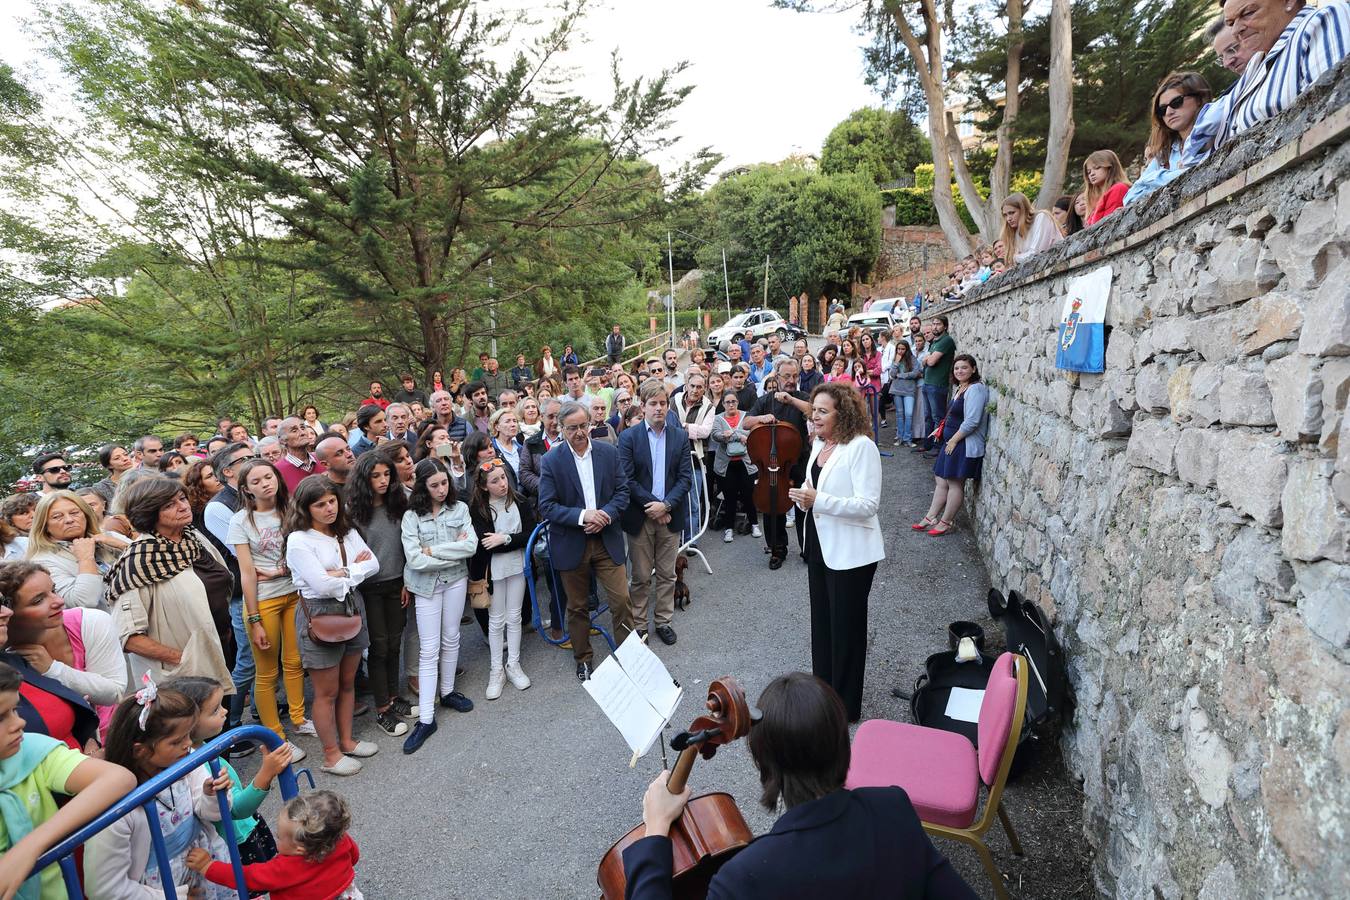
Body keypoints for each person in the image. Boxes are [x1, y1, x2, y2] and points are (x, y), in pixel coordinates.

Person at [623, 672, 976, 899]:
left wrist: (655, 830)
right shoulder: (893, 810)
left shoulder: (744, 880)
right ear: (842, 744)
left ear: (765, 766)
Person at [786, 382, 885, 722]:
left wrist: (819, 501)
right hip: (819, 543)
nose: (815, 417)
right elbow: (817, 486)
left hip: (852, 552)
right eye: (814, 411)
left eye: (822, 411)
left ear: (842, 414)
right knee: (823, 624)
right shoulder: (820, 444)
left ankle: (845, 707)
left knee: (847, 629)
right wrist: (803, 496)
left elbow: (868, 504)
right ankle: (823, 694)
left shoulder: (861, 447)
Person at [0, 661, 135, 900]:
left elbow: (119, 779)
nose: (19, 722)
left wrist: (30, 846)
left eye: (15, 710)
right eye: (2, 717)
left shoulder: (31, 750)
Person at [85, 687, 235, 899]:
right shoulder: (115, 807)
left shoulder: (183, 760)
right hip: (161, 890)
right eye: (176, 741)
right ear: (140, 750)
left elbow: (213, 813)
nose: (189, 744)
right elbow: (104, 888)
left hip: (204, 865)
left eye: (188, 735)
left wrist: (211, 795)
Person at [284, 476, 380, 776]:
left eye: (332, 501)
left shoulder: (346, 529)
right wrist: (352, 571)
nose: (329, 508)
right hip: (319, 613)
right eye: (320, 504)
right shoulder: (299, 540)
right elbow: (321, 586)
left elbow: (373, 564)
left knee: (348, 682)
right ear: (305, 508)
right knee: (326, 691)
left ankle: (348, 740)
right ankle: (331, 754)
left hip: (352, 605)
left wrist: (342, 572)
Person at [537, 401, 634, 681]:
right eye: (572, 428)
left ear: (590, 424)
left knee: (621, 600)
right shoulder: (551, 460)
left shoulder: (607, 452)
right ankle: (583, 658)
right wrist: (583, 516)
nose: (580, 432)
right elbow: (547, 506)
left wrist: (606, 514)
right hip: (572, 543)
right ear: (561, 428)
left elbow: (622, 492)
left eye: (583, 425)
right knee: (578, 607)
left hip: (606, 539)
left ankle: (630, 655)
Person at [1184, 0, 1350, 164]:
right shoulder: (1256, 62)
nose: (1236, 30)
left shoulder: (1323, 19)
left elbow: (1333, 110)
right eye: (1231, 22)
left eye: (1248, 13)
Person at [230, 459, 313, 759]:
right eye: (257, 481)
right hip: (263, 601)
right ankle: (275, 736)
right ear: (246, 490)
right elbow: (248, 573)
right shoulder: (241, 520)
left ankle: (299, 718)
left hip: (293, 593)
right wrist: (254, 620)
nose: (266, 483)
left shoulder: (290, 509)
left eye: (269, 476)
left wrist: (279, 572)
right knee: (266, 672)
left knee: (294, 662)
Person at [167, 676, 293, 866]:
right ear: (188, 724)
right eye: (215, 710)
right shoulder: (199, 764)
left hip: (241, 832)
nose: (225, 711)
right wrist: (267, 772)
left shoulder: (203, 747)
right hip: (233, 842)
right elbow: (236, 809)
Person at [399, 459, 477, 754]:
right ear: (422, 486)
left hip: (456, 580)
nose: (442, 489)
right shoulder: (411, 517)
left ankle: (447, 693)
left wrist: (434, 550)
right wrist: (451, 553)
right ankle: (427, 718)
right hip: (426, 586)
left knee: (452, 637)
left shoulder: (459, 509)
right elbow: (414, 559)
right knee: (429, 649)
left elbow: (470, 547)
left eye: (445, 483)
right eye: (434, 485)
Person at [0, 561, 125, 742]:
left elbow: (116, 692)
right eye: (38, 600)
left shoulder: (89, 622)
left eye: (54, 590)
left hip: (115, 735)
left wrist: (52, 669)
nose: (59, 601)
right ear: (10, 612)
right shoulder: (6, 656)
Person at [344, 451, 413, 739]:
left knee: (395, 643)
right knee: (379, 646)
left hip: (398, 582)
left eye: (387, 474)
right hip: (369, 588)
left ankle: (396, 698)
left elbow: (407, 545)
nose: (383, 481)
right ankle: (383, 708)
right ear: (364, 478)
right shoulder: (353, 511)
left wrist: (407, 581)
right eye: (376, 476)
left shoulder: (399, 503)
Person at [618, 381, 692, 646]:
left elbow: (685, 478)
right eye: (653, 404)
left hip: (670, 515)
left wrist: (667, 505)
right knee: (639, 576)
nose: (659, 408)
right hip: (641, 516)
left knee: (667, 573)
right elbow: (626, 480)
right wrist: (654, 506)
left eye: (663, 403)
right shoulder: (628, 438)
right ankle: (639, 625)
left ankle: (663, 621)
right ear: (643, 406)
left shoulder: (679, 436)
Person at [186, 790, 362, 900]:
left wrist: (208, 866)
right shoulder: (339, 839)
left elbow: (248, 877)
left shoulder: (285, 868)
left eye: (279, 837)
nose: (276, 839)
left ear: (300, 849)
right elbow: (354, 857)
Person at [468, 459, 535, 701]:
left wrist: (505, 539)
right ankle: (496, 669)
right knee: (496, 621)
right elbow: (486, 545)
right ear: (484, 486)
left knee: (514, 616)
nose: (502, 484)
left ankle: (513, 664)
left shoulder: (520, 501)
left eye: (503, 478)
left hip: (518, 567)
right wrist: (510, 540)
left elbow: (530, 535)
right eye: (494, 481)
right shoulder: (478, 508)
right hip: (493, 572)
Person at [739, 359, 810, 569]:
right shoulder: (764, 400)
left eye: (795, 376)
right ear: (776, 377)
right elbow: (746, 422)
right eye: (786, 376)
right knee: (773, 506)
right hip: (771, 465)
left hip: (798, 461)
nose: (791, 380)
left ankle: (807, 548)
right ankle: (777, 549)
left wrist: (791, 401)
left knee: (803, 507)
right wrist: (762, 418)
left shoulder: (801, 397)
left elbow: (813, 411)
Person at [917, 355, 991, 538]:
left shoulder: (976, 389)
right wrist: (941, 431)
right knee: (941, 479)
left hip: (962, 443)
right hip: (951, 442)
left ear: (973, 369)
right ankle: (931, 516)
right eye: (957, 368)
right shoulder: (961, 387)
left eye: (964, 368)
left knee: (954, 483)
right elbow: (953, 415)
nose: (959, 371)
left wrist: (954, 440)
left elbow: (972, 421)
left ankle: (946, 522)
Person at [1124, 72, 1216, 206]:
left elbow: (1204, 173)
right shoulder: (1165, 154)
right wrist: (1171, 175)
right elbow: (1130, 197)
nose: (1169, 112)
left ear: (1199, 99)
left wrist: (1154, 179)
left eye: (1176, 102)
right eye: (1162, 110)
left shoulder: (1216, 133)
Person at [25, 490, 123, 611]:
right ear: (44, 526)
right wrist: (86, 559)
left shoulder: (110, 537)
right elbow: (84, 601)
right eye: (57, 517)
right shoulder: (43, 561)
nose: (69, 520)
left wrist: (122, 546)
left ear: (86, 515)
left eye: (75, 513)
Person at [710, 389, 759, 543]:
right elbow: (715, 435)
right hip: (727, 465)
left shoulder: (746, 416)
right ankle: (729, 529)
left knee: (748, 496)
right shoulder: (718, 418)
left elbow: (753, 435)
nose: (731, 405)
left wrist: (730, 434)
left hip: (746, 463)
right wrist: (739, 435)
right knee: (729, 497)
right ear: (723, 404)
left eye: (733, 401)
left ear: (737, 402)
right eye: (727, 402)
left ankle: (754, 524)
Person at [998, 192, 1062, 266]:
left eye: (1012, 213)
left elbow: (1036, 254)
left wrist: (1014, 257)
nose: (1008, 218)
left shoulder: (1041, 217)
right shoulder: (1016, 232)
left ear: (1023, 210)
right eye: (1005, 215)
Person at [520, 397, 562, 500]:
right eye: (551, 417)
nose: (555, 421)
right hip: (543, 500)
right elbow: (524, 472)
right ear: (542, 417)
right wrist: (546, 487)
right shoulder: (531, 443)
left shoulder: (571, 440)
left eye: (559, 416)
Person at [275, 416, 328, 493]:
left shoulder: (321, 458)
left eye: (303, 428)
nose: (302, 433)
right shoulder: (277, 471)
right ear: (282, 440)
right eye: (294, 430)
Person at [888, 338, 923, 448]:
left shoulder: (912, 359)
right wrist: (896, 363)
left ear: (907, 349)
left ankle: (907, 438)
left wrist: (902, 376)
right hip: (897, 389)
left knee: (908, 414)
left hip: (909, 391)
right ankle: (900, 437)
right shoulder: (896, 359)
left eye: (903, 349)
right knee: (899, 415)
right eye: (898, 349)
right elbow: (892, 375)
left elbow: (916, 373)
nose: (900, 351)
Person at [1082, 150, 1130, 225]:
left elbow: (1109, 223)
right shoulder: (1095, 199)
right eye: (1089, 172)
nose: (1092, 174)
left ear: (1110, 167)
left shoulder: (1119, 188)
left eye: (1097, 168)